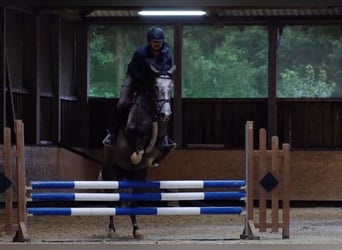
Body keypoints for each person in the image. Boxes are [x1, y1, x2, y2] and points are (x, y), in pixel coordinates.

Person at [103, 27, 176, 154]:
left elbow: (167, 70)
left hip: (156, 81)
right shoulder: (140, 53)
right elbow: (135, 72)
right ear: (149, 42)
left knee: (164, 107)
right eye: (154, 42)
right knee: (122, 103)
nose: (157, 44)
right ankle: (112, 133)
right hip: (135, 78)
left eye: (159, 42)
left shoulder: (166, 53)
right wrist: (145, 81)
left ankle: (163, 138)